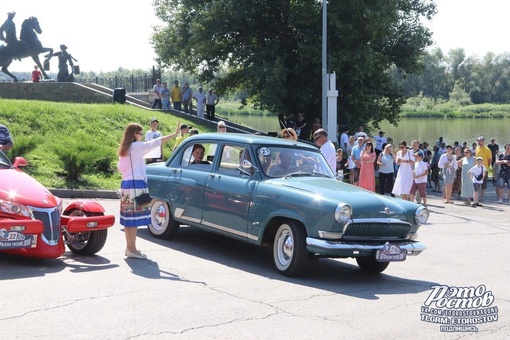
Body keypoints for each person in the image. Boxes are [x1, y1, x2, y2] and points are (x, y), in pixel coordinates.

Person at [117, 121, 180, 259]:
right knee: (135, 219)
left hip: (126, 185)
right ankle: (133, 250)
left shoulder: (124, 148)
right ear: (134, 134)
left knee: (129, 219)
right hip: (137, 185)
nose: (141, 135)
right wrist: (174, 134)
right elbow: (157, 142)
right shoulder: (137, 146)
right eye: (140, 133)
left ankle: (129, 248)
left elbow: (120, 169)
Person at [475, 136, 492, 202]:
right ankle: (477, 196)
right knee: (477, 183)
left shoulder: (487, 149)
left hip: (484, 169)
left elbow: (490, 159)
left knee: (483, 184)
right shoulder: (477, 148)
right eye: (478, 141)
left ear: (483, 141)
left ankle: (482, 196)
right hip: (477, 168)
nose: (479, 142)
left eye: (480, 141)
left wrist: (486, 166)